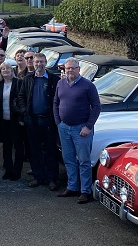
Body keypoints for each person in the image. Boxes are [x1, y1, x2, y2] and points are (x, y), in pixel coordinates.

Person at [53, 58, 101, 204]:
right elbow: (56, 102)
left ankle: (85, 191)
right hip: (64, 127)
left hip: (81, 129)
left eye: (73, 68)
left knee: (84, 161)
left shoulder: (88, 85)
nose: (70, 70)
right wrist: (58, 122)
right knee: (68, 159)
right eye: (68, 68)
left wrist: (88, 126)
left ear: (79, 69)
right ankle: (72, 187)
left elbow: (96, 107)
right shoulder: (61, 83)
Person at [19, 53, 59, 191]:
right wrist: (24, 111)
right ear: (33, 63)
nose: (39, 64)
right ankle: (38, 177)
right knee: (34, 150)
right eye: (36, 62)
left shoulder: (54, 79)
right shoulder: (28, 79)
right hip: (32, 120)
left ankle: (52, 179)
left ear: (46, 62)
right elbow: (21, 97)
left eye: (41, 61)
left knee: (50, 150)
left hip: (48, 120)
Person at [0, 62, 25, 181]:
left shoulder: (19, 83)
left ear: (12, 71)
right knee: (6, 146)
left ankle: (17, 171)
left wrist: (22, 118)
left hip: (16, 120)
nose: (5, 70)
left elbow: (22, 102)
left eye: (8, 68)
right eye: (3, 69)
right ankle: (8, 170)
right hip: (3, 120)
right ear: (0, 72)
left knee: (18, 146)